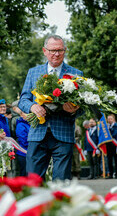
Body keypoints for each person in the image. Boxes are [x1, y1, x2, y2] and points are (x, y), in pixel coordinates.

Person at [18, 35, 83, 180]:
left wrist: (73, 111)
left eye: (60, 50)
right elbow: (23, 99)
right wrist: (33, 106)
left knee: (61, 182)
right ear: (44, 51)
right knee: (33, 181)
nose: (56, 54)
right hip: (37, 133)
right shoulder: (33, 72)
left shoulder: (76, 74)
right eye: (52, 50)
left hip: (63, 134)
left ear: (65, 50)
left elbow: (83, 107)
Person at [15, 110, 30, 176]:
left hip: (28, 152)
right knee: (24, 173)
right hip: (23, 153)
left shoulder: (28, 124)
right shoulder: (21, 125)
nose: (28, 115)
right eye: (25, 113)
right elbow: (23, 140)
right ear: (21, 115)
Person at [105, 114, 117, 179]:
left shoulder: (116, 125)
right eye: (108, 119)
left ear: (113, 119)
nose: (109, 120)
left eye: (110, 119)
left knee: (116, 159)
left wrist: (108, 133)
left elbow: (114, 134)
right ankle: (110, 174)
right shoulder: (107, 126)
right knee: (109, 160)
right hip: (108, 144)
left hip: (115, 144)